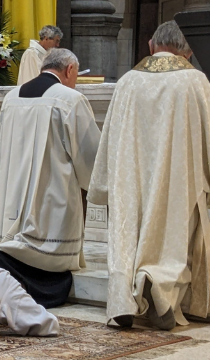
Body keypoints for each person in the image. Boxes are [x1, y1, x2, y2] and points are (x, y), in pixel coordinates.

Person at [89, 20, 210, 331]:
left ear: (151, 46)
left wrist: (103, 183)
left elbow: (110, 137)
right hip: (178, 178)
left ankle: (123, 298)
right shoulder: (195, 81)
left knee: (128, 235)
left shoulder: (128, 81)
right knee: (169, 236)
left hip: (129, 178)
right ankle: (159, 290)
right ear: (187, 52)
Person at [0, 48, 100, 309]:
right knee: (47, 259)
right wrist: (98, 186)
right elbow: (90, 158)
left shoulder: (11, 97)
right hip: (51, 205)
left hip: (12, 198)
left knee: (13, 243)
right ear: (70, 70)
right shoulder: (70, 99)